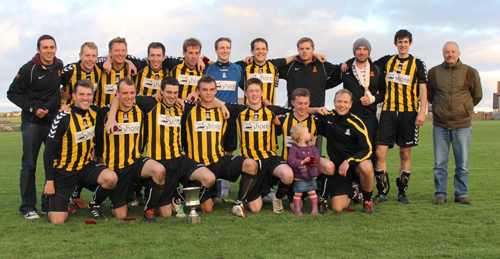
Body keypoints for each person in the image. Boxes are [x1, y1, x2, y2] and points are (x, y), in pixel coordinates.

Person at [104, 77, 216, 217]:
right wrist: (112, 117)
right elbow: (120, 98)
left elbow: (207, 101)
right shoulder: (151, 104)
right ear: (161, 92)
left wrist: (221, 105)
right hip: (159, 161)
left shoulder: (181, 106)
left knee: (210, 178)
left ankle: (179, 197)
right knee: (165, 214)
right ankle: (160, 197)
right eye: (168, 92)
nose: (172, 96)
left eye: (175, 93)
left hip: (179, 160)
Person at [182, 75, 258, 217]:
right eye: (204, 90)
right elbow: (171, 99)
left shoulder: (226, 109)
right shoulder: (188, 109)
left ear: (216, 91)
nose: (208, 93)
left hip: (219, 160)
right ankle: (189, 194)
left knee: (251, 165)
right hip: (197, 165)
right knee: (207, 209)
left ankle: (239, 203)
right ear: (198, 91)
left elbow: (254, 106)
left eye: (211, 89)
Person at [43, 80, 118, 223]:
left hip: (85, 167)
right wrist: (49, 181)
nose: (85, 98)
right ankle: (53, 198)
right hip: (64, 171)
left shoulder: (95, 112)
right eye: (81, 94)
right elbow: (48, 152)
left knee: (111, 178)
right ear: (73, 95)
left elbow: (117, 101)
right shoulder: (63, 117)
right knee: (57, 220)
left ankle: (93, 205)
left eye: (89, 94)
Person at [218, 78, 296, 213]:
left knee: (288, 175)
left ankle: (277, 197)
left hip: (270, 158)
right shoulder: (239, 110)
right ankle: (261, 193)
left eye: (257, 91)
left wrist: (318, 109)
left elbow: (299, 109)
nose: (254, 94)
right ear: (246, 94)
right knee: (255, 208)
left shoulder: (271, 110)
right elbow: (215, 101)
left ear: (262, 93)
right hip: (251, 163)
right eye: (250, 91)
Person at [7, 34, 64, 219]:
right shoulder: (28, 69)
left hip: (53, 123)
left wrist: (62, 94)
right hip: (32, 123)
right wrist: (33, 108)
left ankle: (48, 204)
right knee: (29, 165)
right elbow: (12, 93)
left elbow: (54, 88)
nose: (49, 51)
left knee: (55, 164)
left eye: (52, 47)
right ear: (38, 50)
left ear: (55, 49)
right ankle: (28, 207)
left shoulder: (58, 66)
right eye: (45, 47)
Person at [95, 78, 166, 222]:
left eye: (132, 92)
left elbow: (170, 96)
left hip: (135, 162)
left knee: (159, 170)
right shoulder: (104, 113)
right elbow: (98, 142)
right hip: (116, 167)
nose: (129, 96)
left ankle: (149, 209)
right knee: (120, 215)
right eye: (124, 93)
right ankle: (118, 198)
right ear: (117, 94)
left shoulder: (141, 109)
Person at [371, 29, 428, 205]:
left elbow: (423, 89)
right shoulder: (387, 60)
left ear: (410, 43)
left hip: (409, 113)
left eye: (405, 41)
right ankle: (382, 192)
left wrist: (422, 112)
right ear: (395, 43)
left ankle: (402, 193)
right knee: (380, 152)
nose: (402, 45)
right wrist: (347, 62)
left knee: (405, 154)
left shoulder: (418, 63)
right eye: (399, 41)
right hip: (388, 112)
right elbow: (366, 59)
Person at [427, 41, 482, 205]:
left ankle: (461, 194)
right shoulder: (434, 72)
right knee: (439, 164)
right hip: (440, 125)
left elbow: (477, 95)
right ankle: (441, 194)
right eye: (446, 52)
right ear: (443, 54)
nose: (449, 54)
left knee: (462, 164)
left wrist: (465, 108)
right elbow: (430, 95)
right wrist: (438, 108)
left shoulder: (470, 72)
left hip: (462, 125)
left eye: (453, 52)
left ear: (459, 53)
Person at [315, 89, 375, 214]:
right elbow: (305, 117)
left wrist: (349, 161)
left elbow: (368, 149)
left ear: (351, 104)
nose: (342, 105)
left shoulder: (357, 123)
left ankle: (367, 201)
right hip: (339, 169)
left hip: (355, 165)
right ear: (334, 102)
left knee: (367, 165)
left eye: (345, 102)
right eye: (339, 101)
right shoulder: (327, 118)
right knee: (337, 207)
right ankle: (353, 191)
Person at [59, 42, 102, 211]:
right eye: (87, 55)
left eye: (93, 56)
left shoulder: (99, 69)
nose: (90, 59)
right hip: (68, 119)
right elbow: (50, 82)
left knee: (86, 156)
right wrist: (59, 98)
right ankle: (59, 197)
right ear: (80, 56)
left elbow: (118, 56)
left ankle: (75, 197)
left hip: (89, 118)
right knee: (66, 159)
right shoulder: (70, 70)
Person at [277, 88, 334, 213]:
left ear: (309, 103)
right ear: (293, 103)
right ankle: (281, 194)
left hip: (310, 166)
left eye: (306, 103)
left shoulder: (316, 121)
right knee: (297, 207)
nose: (303, 107)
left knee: (329, 166)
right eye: (299, 103)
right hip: (291, 166)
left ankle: (322, 200)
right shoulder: (284, 119)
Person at [279, 37, 341, 153]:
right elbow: (273, 66)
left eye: (308, 48)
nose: (304, 51)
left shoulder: (322, 66)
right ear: (298, 50)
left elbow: (341, 71)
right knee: (291, 151)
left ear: (313, 49)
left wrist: (323, 85)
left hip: (316, 117)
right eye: (301, 49)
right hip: (294, 116)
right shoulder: (290, 66)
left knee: (314, 153)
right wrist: (294, 57)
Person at [203, 37, 244, 204]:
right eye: (221, 48)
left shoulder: (238, 69)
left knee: (228, 152)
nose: (225, 50)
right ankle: (211, 193)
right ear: (216, 50)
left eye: (227, 47)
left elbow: (247, 88)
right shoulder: (207, 69)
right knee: (211, 153)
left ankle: (225, 193)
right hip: (212, 116)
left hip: (230, 117)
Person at [93, 37, 142, 108]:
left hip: (126, 114)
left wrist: (129, 61)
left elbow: (150, 61)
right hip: (103, 114)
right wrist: (109, 59)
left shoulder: (134, 66)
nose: (120, 53)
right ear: (110, 52)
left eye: (123, 50)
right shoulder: (101, 66)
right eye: (116, 50)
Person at [287, 123, 321, 216]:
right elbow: (291, 160)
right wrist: (301, 162)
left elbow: (317, 155)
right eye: (308, 132)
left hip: (311, 174)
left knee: (312, 192)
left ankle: (315, 209)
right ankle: (297, 209)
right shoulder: (294, 149)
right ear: (302, 137)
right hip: (300, 175)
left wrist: (314, 160)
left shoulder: (311, 146)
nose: (310, 134)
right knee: (298, 193)